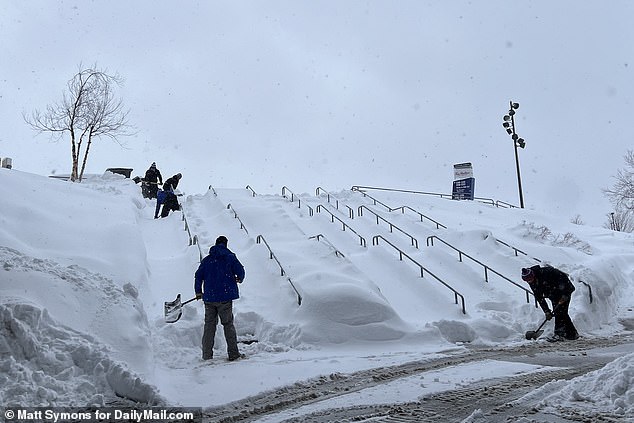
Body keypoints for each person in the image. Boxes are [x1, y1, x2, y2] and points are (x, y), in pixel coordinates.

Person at [194, 236, 246, 361]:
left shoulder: (207, 260)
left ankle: (207, 355)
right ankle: (233, 354)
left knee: (209, 326)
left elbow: (198, 276)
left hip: (209, 298)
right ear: (226, 245)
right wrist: (239, 278)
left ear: (216, 244)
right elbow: (241, 271)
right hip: (225, 298)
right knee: (228, 325)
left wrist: (198, 292)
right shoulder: (230, 257)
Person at [521, 265, 579, 342]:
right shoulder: (532, 282)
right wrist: (547, 311)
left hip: (564, 291)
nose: (529, 282)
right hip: (553, 294)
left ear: (533, 275)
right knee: (562, 312)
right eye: (527, 281)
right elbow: (539, 297)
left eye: (530, 279)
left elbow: (563, 279)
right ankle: (572, 334)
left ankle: (559, 334)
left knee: (560, 312)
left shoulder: (546, 272)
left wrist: (565, 293)